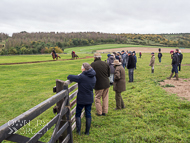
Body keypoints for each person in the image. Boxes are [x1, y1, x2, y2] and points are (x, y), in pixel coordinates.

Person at [67, 63, 96, 135]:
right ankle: (87, 132)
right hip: (89, 98)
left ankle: (78, 131)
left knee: (78, 113)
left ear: (84, 69)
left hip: (81, 99)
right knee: (88, 114)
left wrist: (81, 74)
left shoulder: (82, 77)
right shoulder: (94, 77)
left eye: (81, 68)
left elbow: (69, 76)